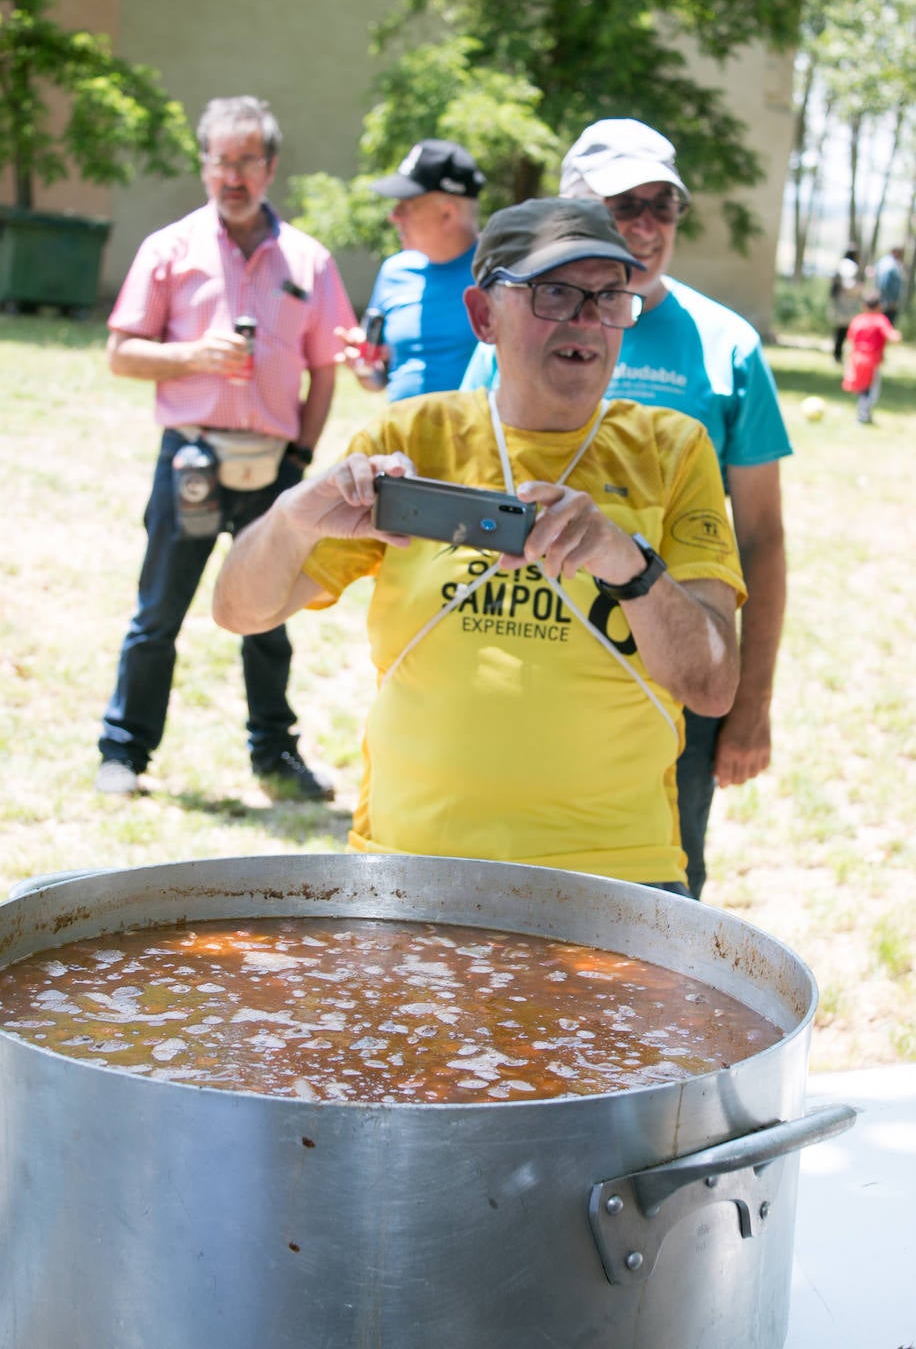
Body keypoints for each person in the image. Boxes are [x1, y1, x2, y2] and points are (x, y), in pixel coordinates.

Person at [213, 197, 745, 893]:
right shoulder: (412, 440)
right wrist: (291, 518)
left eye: (611, 296)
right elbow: (239, 611)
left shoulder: (673, 449)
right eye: (556, 292)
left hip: (617, 879)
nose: (587, 318)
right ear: (483, 314)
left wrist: (628, 564)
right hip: (409, 869)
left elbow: (711, 686)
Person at [462, 119, 790, 899]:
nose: (643, 227)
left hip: (676, 669)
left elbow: (763, 541)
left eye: (661, 207)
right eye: (621, 206)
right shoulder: (512, 327)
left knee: (660, 901)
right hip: (525, 660)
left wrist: (750, 706)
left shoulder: (726, 344)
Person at [95, 95, 357, 799]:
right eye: (220, 160)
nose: (232, 176)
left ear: (270, 167)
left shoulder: (308, 258)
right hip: (191, 461)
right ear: (204, 165)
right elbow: (121, 354)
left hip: (274, 465)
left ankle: (274, 755)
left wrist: (302, 458)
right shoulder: (169, 250)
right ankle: (123, 752)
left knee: (268, 620)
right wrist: (192, 357)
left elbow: (324, 369)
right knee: (159, 614)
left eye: (247, 161)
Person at [335, 139, 485, 401]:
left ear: (447, 213)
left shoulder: (499, 271)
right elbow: (380, 378)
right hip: (403, 439)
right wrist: (363, 366)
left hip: (478, 440)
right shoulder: (395, 271)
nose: (393, 216)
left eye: (406, 205)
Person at [841, 290, 902, 424]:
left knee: (863, 388)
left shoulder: (857, 320)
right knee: (870, 390)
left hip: (856, 359)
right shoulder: (880, 319)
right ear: (879, 306)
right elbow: (892, 336)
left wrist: (847, 362)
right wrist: (898, 335)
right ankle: (863, 416)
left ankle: (864, 414)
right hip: (871, 361)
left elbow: (850, 342)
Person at [828, 250, 864, 364]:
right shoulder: (849, 265)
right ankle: (838, 355)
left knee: (841, 331)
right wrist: (858, 290)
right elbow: (849, 284)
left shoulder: (842, 264)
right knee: (843, 331)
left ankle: (839, 355)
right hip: (845, 304)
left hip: (842, 302)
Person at [874, 246, 905, 325]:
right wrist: (890, 300)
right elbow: (884, 283)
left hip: (881, 299)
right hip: (887, 302)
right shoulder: (891, 265)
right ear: (895, 252)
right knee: (886, 326)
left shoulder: (882, 262)